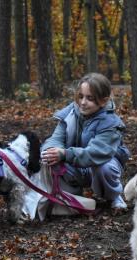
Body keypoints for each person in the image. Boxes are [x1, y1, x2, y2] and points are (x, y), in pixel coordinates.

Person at [41, 73, 131, 209]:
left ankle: (113, 196)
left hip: (98, 164)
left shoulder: (111, 123)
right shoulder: (70, 113)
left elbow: (97, 152)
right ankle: (72, 198)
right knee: (51, 160)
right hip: (75, 163)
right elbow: (56, 138)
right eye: (81, 96)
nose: (83, 102)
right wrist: (51, 151)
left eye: (90, 98)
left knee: (105, 168)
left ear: (103, 100)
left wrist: (65, 154)